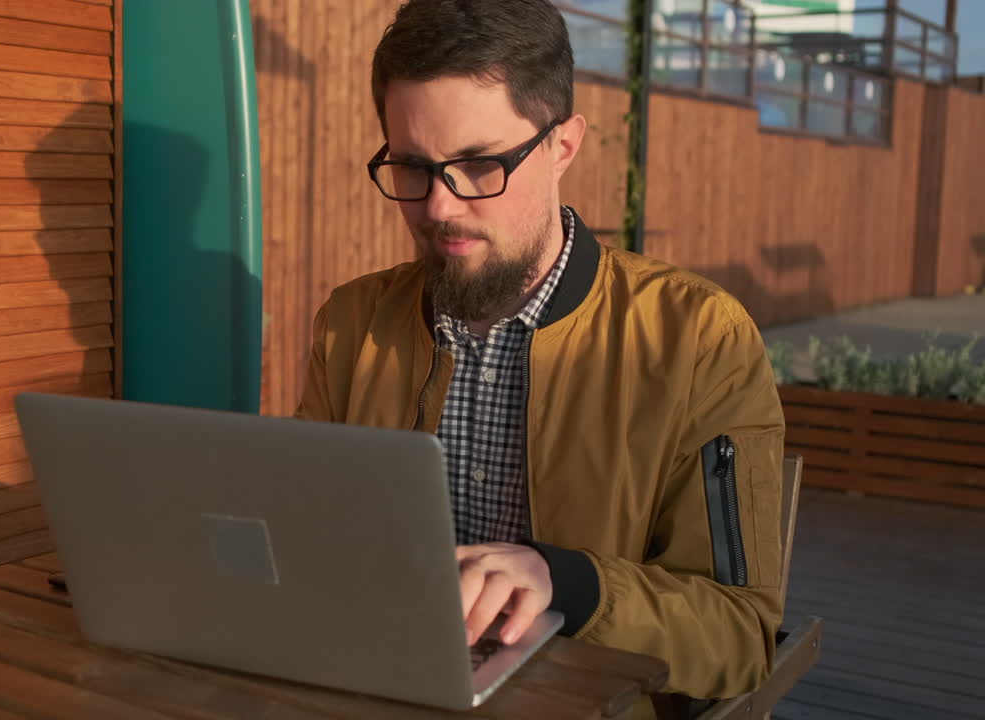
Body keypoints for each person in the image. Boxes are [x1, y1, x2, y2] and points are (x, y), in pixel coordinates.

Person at [294, 0, 786, 713]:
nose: (438, 206)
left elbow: (740, 635)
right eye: (411, 166)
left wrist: (567, 581)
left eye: (478, 164)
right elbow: (300, 529)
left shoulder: (696, 339)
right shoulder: (352, 323)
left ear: (563, 146)